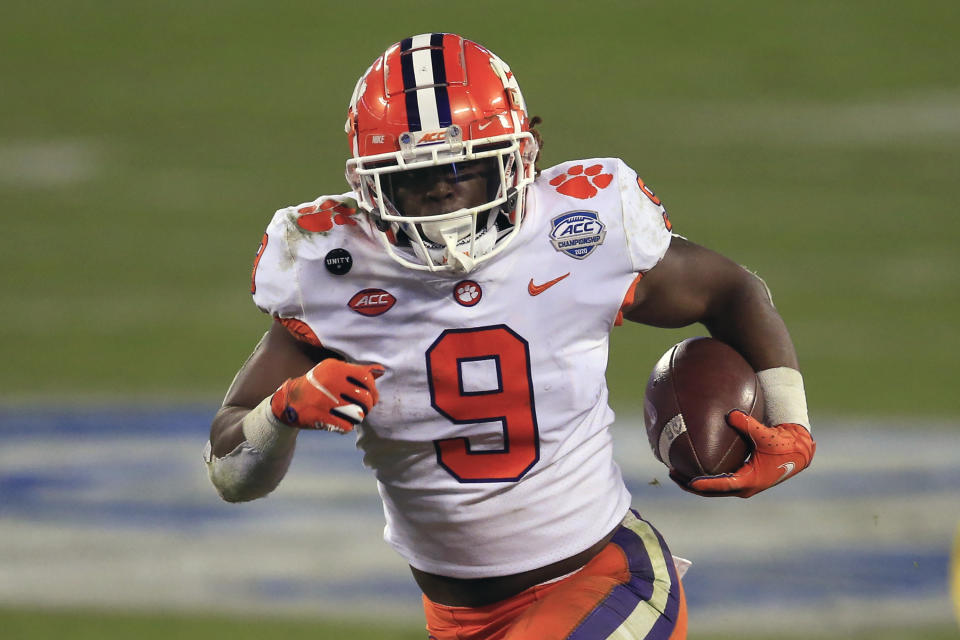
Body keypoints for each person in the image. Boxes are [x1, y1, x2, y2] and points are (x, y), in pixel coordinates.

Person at [203, 33, 816, 640]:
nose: (443, 188)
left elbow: (730, 290)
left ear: (523, 153)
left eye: (462, 164)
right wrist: (281, 411)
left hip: (605, 583)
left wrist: (790, 420)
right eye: (415, 175)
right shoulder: (332, 273)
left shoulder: (578, 232)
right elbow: (231, 473)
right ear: (370, 186)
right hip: (456, 621)